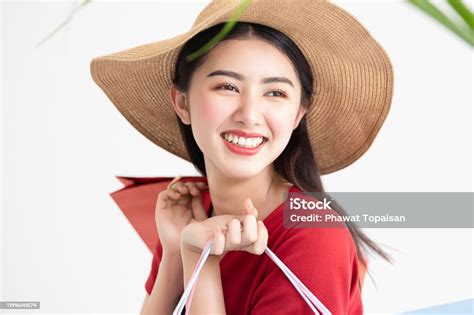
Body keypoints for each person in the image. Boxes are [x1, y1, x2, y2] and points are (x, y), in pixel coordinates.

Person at [90, 1, 394, 314]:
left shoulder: (315, 233)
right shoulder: (193, 214)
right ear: (181, 102)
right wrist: (173, 253)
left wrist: (200, 259)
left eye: (275, 93)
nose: (249, 115)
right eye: (227, 87)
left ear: (298, 113)